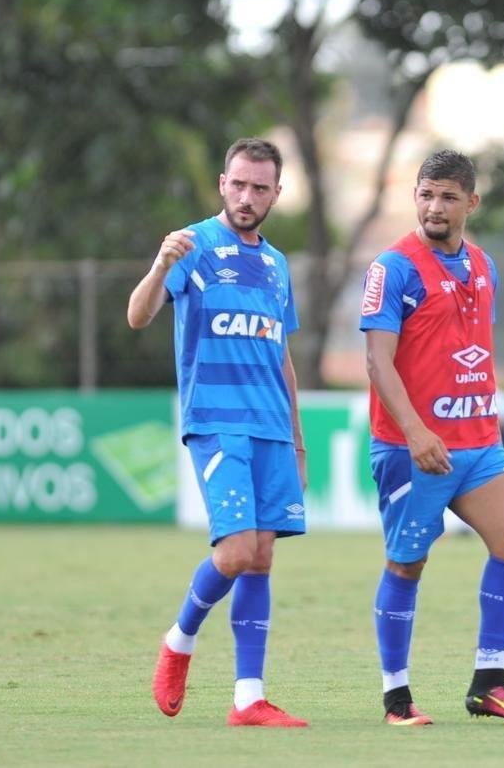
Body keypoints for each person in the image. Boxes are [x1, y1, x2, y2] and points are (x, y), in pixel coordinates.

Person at [359, 149, 504, 726]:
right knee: (407, 566)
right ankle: (397, 699)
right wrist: (416, 432)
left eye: (447, 196)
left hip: (478, 445)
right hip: (411, 450)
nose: (434, 206)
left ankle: (489, 682)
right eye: (425, 194)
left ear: (471, 202)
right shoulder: (393, 268)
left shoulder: (485, 265)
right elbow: (377, 362)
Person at [127, 137, 308, 728]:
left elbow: (283, 357)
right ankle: (179, 640)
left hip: (271, 429)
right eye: (238, 183)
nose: (247, 196)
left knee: (259, 559)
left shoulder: (278, 264)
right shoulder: (194, 245)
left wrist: (298, 441)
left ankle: (248, 699)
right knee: (233, 553)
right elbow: (138, 315)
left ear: (276, 193)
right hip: (216, 423)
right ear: (221, 182)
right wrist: (159, 265)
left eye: (260, 187)